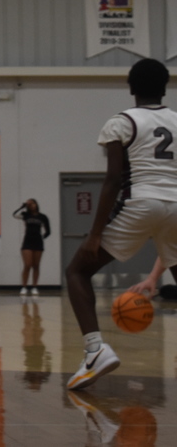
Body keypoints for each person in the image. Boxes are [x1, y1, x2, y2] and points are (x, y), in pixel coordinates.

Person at [65, 58, 177, 391]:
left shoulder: (121, 122)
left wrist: (95, 233)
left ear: (131, 87)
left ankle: (95, 350)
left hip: (140, 201)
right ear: (165, 87)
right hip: (176, 204)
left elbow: (113, 180)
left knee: (77, 271)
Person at [14, 198, 50, 295]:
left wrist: (42, 237)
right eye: (29, 204)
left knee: (36, 266)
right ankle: (24, 287)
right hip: (27, 242)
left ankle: (34, 287)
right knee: (27, 265)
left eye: (33, 203)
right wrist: (23, 206)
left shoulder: (42, 217)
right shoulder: (25, 215)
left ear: (36, 204)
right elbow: (14, 215)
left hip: (38, 242)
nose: (32, 205)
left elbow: (48, 231)